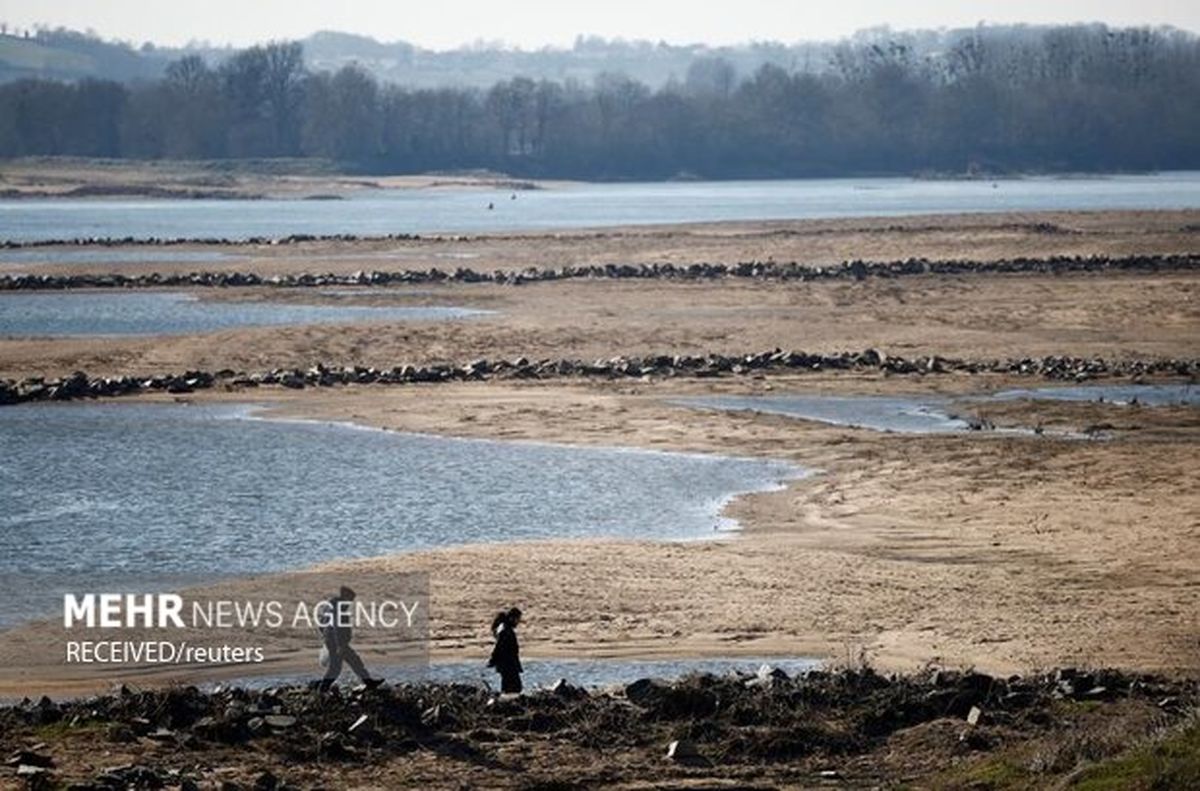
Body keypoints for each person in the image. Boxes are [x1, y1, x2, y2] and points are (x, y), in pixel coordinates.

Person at [316, 585, 384, 691]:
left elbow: (321, 623)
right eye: (351, 600)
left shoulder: (329, 606)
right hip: (337, 642)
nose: (351, 603)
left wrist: (325, 635)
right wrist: (339, 645)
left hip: (333, 640)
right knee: (336, 668)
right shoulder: (339, 608)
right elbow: (337, 626)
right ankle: (322, 689)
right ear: (345, 596)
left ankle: (368, 682)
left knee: (354, 661)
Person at [487, 607, 523, 693]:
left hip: (507, 663)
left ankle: (506, 698)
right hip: (508, 664)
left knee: (509, 686)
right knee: (514, 686)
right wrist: (492, 659)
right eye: (517, 619)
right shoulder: (505, 630)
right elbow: (499, 646)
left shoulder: (505, 628)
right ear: (512, 618)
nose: (518, 622)